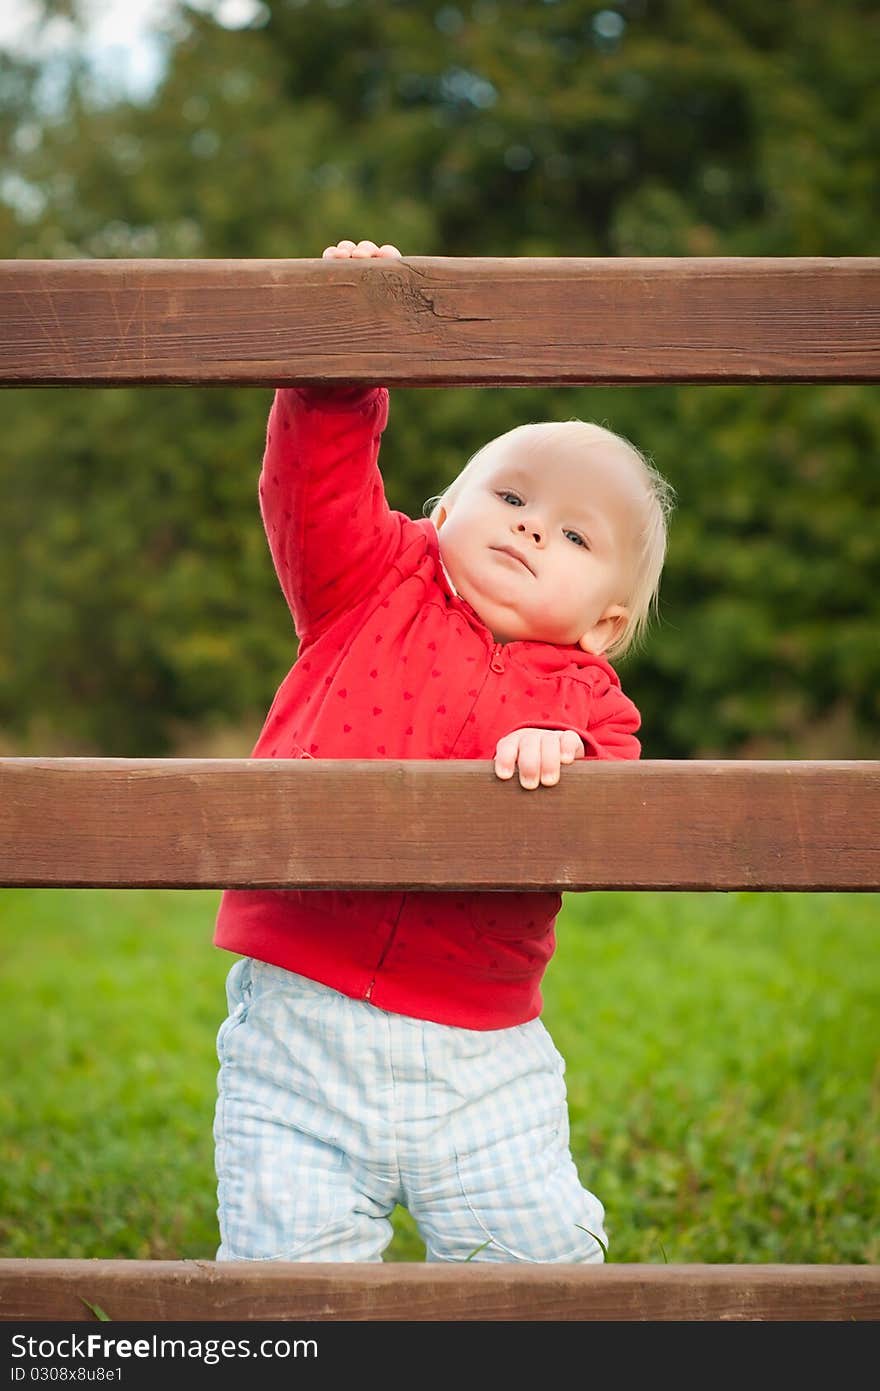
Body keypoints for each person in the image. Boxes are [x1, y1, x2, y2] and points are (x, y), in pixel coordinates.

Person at [212, 238, 674, 1264]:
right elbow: (314, 488)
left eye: (573, 533)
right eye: (510, 496)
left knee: (535, 1262)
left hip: (483, 1051)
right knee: (290, 1266)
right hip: (301, 1013)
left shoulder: (589, 699)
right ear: (445, 506)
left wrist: (569, 759)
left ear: (602, 624)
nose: (531, 528)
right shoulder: (367, 582)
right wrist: (341, 362)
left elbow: (614, 811)